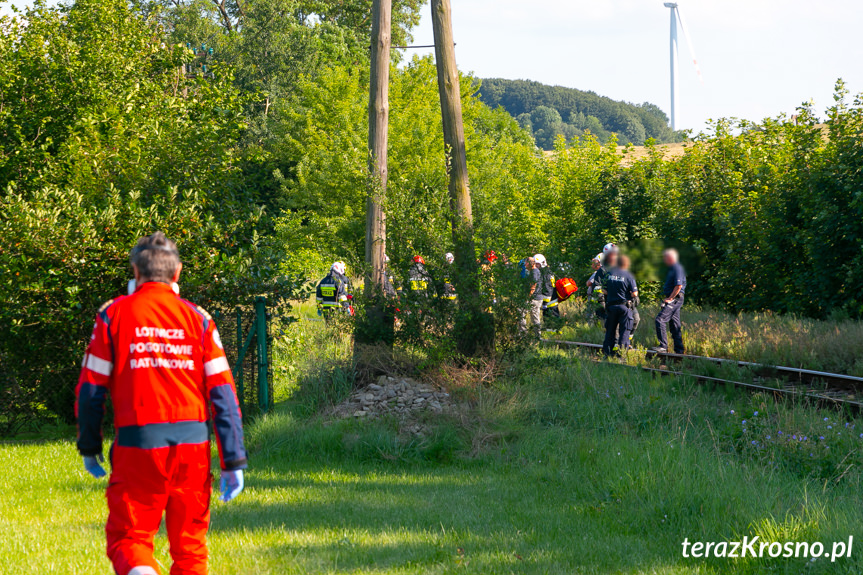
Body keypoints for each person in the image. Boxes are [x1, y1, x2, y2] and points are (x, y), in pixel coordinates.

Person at [76, 232, 247, 575]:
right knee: (191, 548)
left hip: (138, 442)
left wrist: (89, 446)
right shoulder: (199, 319)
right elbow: (223, 395)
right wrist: (233, 459)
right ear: (177, 273)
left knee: (129, 539)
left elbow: (91, 389)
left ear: (135, 273)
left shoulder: (113, 315)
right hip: (193, 446)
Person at [602, 253, 638, 357]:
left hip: (611, 307)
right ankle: (621, 355)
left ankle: (608, 354)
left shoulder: (609, 274)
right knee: (624, 331)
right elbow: (635, 293)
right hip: (624, 307)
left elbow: (603, 290)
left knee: (610, 331)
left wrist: (612, 294)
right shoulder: (628, 275)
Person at [654, 248, 687, 353]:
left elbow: (678, 286)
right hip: (674, 298)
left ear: (670, 258)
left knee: (660, 320)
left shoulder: (677, 268)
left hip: (675, 298)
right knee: (675, 325)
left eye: (665, 257)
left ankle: (663, 346)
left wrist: (670, 298)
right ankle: (679, 350)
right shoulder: (672, 268)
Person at [518, 256, 543, 338]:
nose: (525, 265)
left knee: (524, 313)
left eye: (526, 263)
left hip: (534, 298)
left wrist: (528, 297)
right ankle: (530, 335)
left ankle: (528, 335)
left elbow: (533, 286)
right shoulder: (533, 271)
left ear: (530, 264)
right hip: (534, 298)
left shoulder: (534, 272)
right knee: (532, 316)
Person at [618, 254, 640, 345]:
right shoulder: (627, 275)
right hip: (625, 302)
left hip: (630, 303)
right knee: (627, 322)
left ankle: (628, 340)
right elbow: (635, 292)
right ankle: (623, 342)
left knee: (636, 319)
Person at [534, 254, 560, 321]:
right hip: (550, 300)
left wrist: (545, 303)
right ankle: (550, 331)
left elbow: (548, 288)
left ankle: (554, 331)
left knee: (552, 319)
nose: (536, 266)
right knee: (548, 320)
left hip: (550, 301)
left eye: (537, 264)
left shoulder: (545, 273)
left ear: (542, 263)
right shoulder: (546, 271)